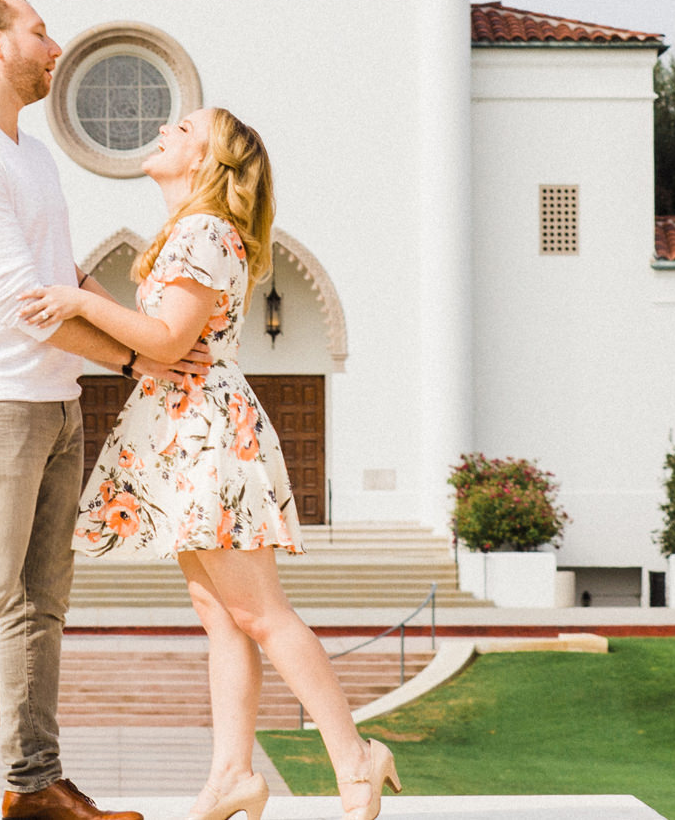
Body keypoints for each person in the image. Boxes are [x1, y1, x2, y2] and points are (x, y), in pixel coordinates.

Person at [22, 108, 401, 820]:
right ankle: (232, 774)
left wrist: (75, 297)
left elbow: (166, 342)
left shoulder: (203, 231)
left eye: (186, 126)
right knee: (221, 613)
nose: (168, 127)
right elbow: (161, 334)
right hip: (187, 427)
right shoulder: (187, 232)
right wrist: (82, 284)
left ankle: (356, 757)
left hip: (206, 432)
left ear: (207, 161)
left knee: (259, 611)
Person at [0, 0, 201, 820]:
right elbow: (19, 301)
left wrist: (123, 339)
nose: (55, 43)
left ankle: (33, 783)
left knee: (42, 601)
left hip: (52, 399)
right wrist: (140, 356)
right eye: (40, 31)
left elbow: (65, 283)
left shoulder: (29, 153)